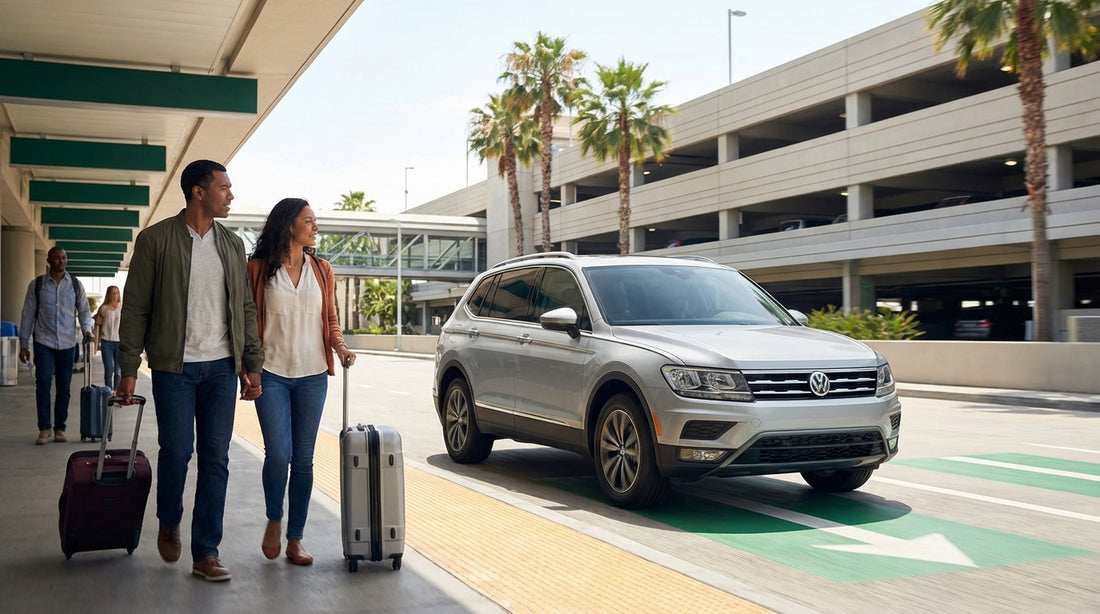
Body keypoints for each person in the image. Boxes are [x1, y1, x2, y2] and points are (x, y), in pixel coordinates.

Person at [117, 159, 263, 582]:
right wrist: (129, 366)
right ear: (199, 192)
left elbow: (245, 308)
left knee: (217, 458)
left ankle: (206, 552)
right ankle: (169, 519)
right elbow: (137, 307)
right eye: (224, 188)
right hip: (172, 367)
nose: (231, 195)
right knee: (178, 452)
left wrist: (251, 364)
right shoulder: (156, 240)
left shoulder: (232, 245)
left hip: (220, 367)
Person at [247, 198, 356, 566]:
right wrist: (249, 367)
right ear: (289, 226)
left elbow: (331, 320)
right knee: (279, 454)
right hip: (272, 373)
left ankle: (296, 539)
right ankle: (274, 520)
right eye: (309, 221)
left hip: (312, 376)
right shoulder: (260, 269)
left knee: (304, 460)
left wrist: (340, 349)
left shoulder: (322, 270)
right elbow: (250, 324)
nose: (316, 227)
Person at [18, 247, 94, 444]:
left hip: (68, 343)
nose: (61, 261)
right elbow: (27, 314)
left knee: (64, 387)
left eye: (63, 258)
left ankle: (60, 427)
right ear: (49, 260)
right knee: (43, 383)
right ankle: (44, 428)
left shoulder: (75, 285)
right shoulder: (38, 285)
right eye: (57, 258)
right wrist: (24, 344)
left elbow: (85, 311)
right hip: (44, 341)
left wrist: (87, 329)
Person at [93, 285, 122, 393]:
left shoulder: (121, 307)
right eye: (112, 293)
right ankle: (109, 393)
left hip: (119, 342)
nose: (115, 295)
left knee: (118, 370)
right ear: (109, 294)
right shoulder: (104, 308)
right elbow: (98, 323)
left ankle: (117, 392)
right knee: (109, 370)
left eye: (117, 293)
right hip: (106, 342)